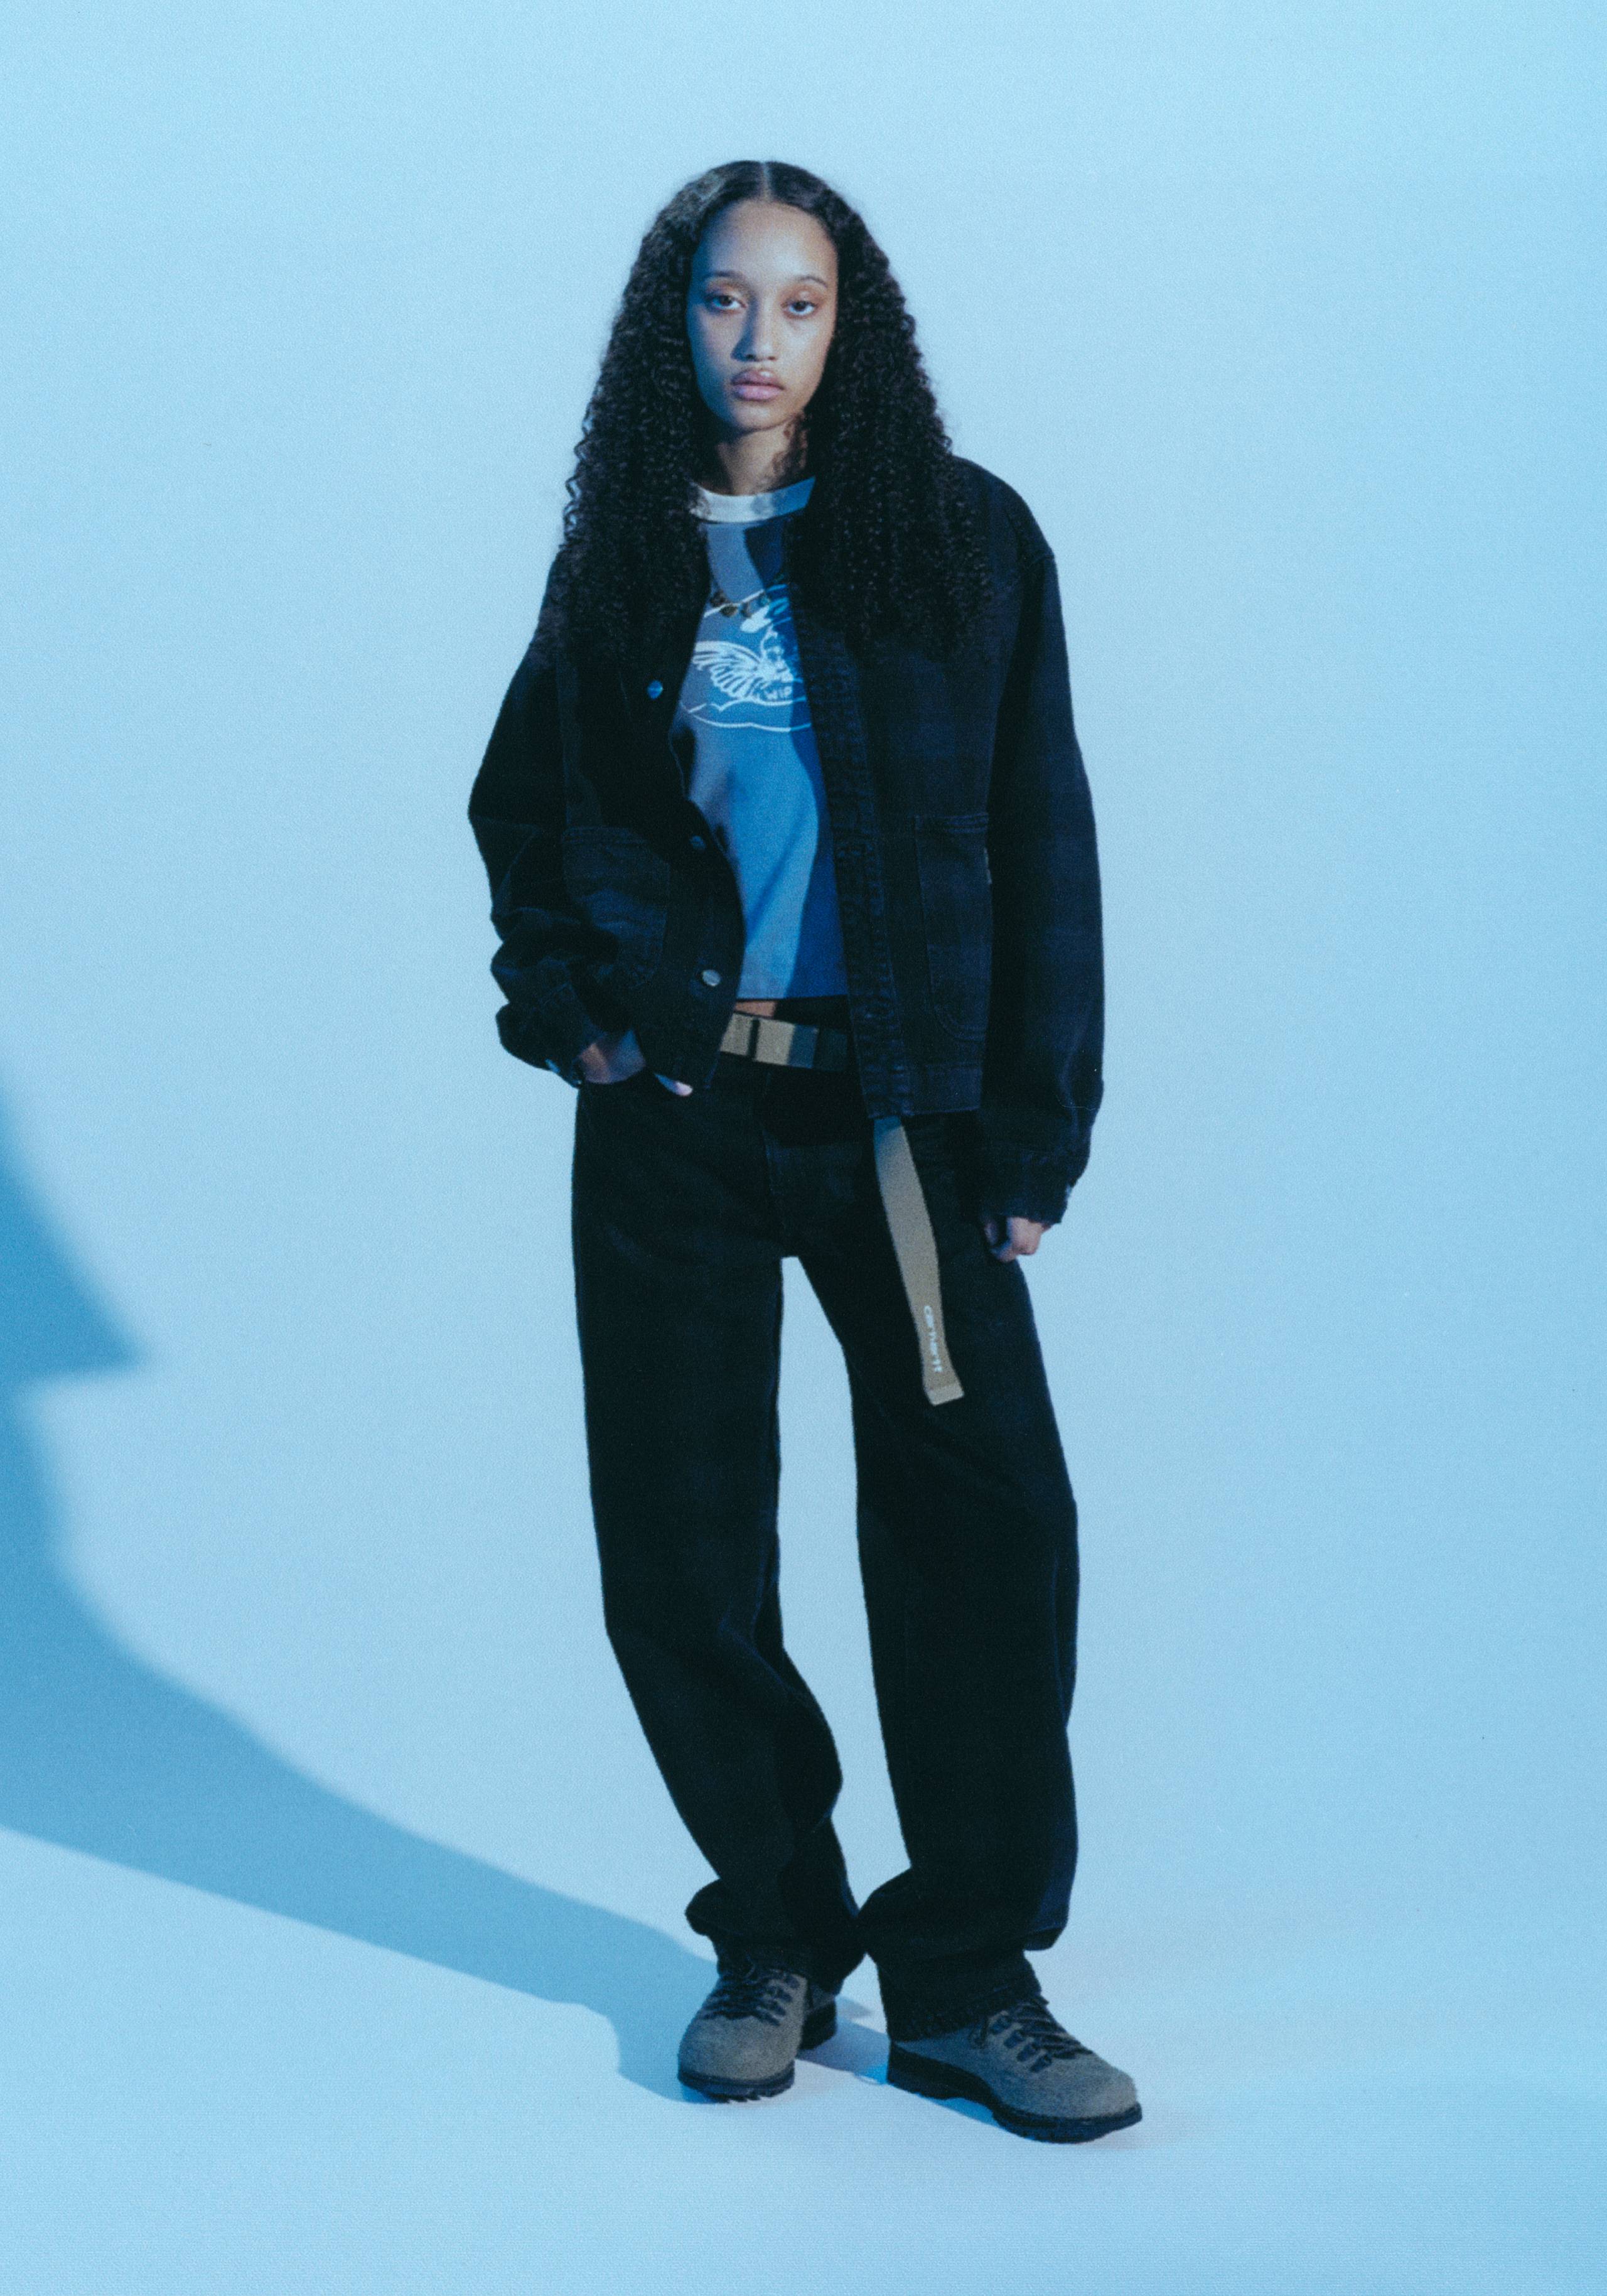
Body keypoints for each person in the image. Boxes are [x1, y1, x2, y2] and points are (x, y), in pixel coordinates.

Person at [468, 159, 1141, 2144]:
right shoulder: (622, 559)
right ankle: (776, 1931)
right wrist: (579, 1011)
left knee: (986, 1535)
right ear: (670, 322)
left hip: (901, 1110)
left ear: (857, 326)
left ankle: (970, 1979)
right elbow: (525, 807)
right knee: (682, 1548)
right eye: (722, 299)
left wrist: (1038, 1124)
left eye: (799, 301)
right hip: (681, 1109)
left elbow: (1045, 832)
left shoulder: (962, 542)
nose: (757, 339)